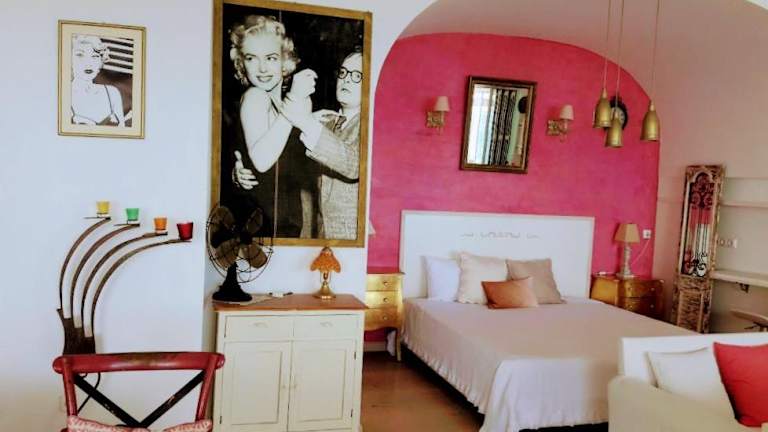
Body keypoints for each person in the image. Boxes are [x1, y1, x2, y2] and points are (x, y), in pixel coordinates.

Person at [227, 15, 320, 238]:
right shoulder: (256, 96)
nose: (262, 68)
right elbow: (261, 160)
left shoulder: (278, 103)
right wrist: (294, 100)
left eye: (270, 58)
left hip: (282, 224)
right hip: (262, 228)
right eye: (251, 58)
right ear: (241, 62)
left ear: (285, 60)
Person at [297, 51, 363, 240]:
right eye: (343, 72)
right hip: (319, 235)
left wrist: (306, 122)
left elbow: (354, 164)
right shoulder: (323, 122)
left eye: (357, 75)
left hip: (352, 236)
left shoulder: (370, 125)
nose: (346, 79)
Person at [70, 35, 125, 127]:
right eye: (80, 55)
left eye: (94, 56)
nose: (88, 63)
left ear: (101, 61)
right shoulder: (62, 93)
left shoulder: (112, 93)